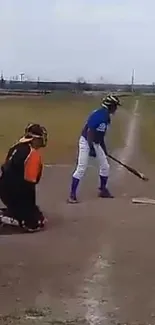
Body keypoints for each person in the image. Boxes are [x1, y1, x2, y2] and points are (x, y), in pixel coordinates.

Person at [68, 94, 121, 203]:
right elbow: (90, 132)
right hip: (86, 141)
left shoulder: (106, 116)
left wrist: (103, 149)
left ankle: (103, 190)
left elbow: (100, 136)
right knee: (82, 167)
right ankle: (72, 195)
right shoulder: (99, 115)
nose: (116, 108)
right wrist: (92, 148)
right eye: (115, 105)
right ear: (110, 105)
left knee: (105, 166)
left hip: (95, 142)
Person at [0, 123, 48, 232]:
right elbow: (29, 185)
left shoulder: (16, 147)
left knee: (35, 213)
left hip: (5, 189)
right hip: (16, 192)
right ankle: (9, 217)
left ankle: (14, 210)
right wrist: (31, 208)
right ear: (34, 139)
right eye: (40, 138)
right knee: (35, 224)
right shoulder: (33, 154)